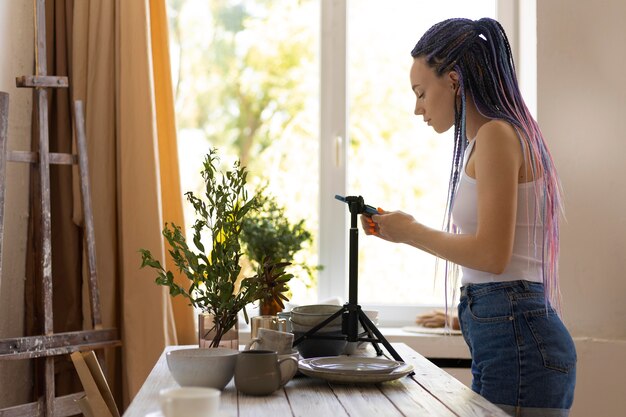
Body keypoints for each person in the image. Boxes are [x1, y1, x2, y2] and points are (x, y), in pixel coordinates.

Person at [361, 18, 576, 417]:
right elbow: (506, 267)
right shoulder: (491, 139)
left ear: (455, 81)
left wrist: (409, 232)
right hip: (510, 332)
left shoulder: (497, 135)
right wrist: (472, 312)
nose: (417, 108)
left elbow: (492, 254)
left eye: (421, 92)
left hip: (518, 343)